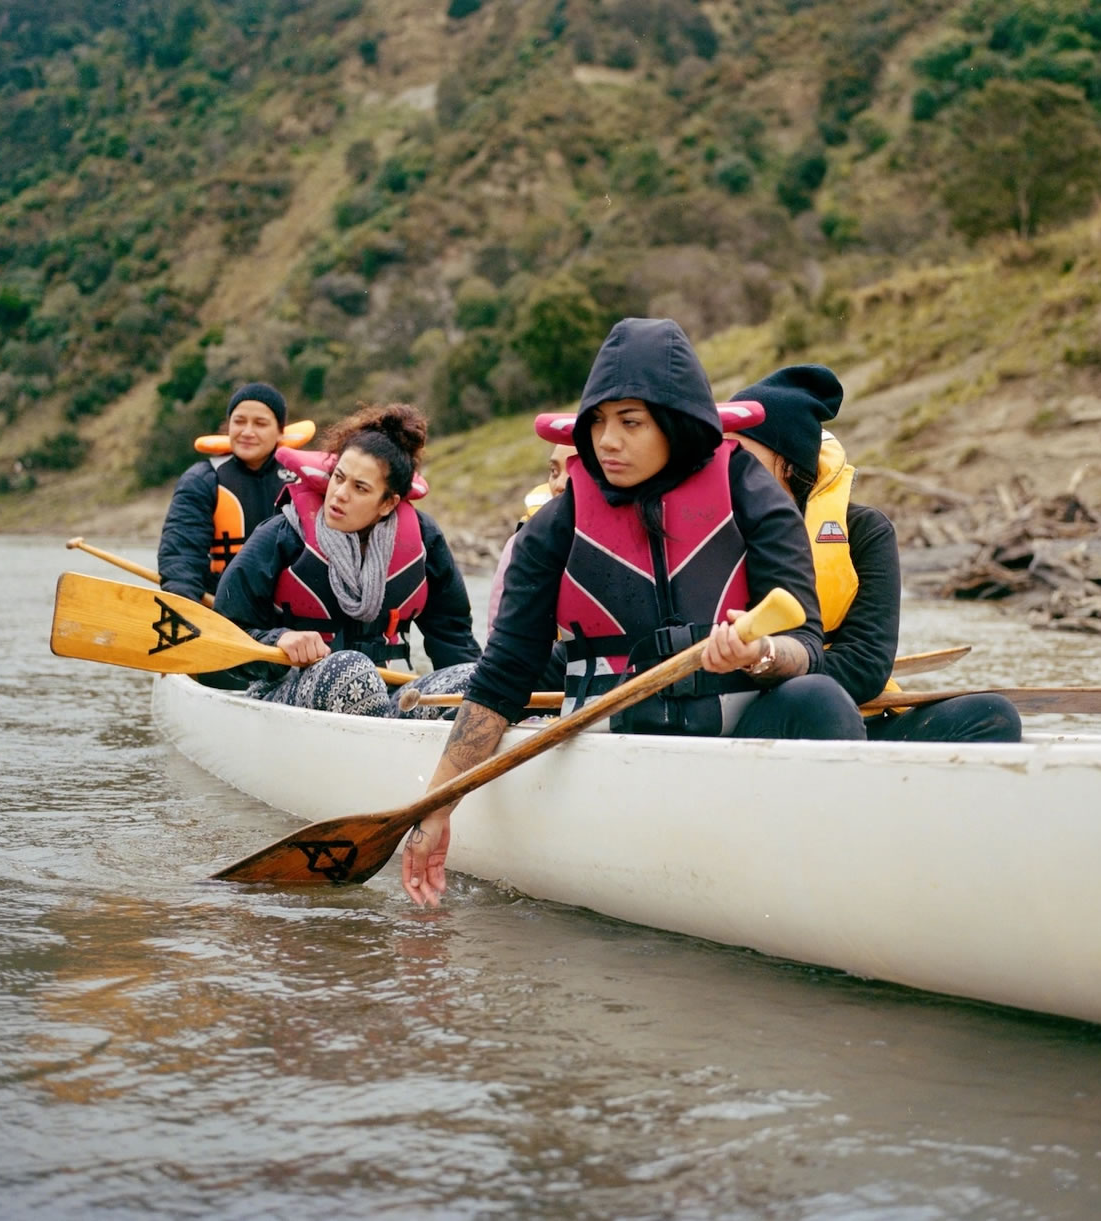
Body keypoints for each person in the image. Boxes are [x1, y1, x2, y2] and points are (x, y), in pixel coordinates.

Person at [400, 317, 865, 905]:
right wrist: (437, 806)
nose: (605, 441)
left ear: (676, 422)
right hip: (607, 739)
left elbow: (805, 643)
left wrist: (760, 654)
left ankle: (838, 886)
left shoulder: (750, 490)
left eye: (630, 422)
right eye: (596, 420)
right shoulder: (556, 526)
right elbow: (503, 676)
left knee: (819, 698)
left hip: (733, 730)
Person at [727, 364, 1020, 744]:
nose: (727, 468)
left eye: (741, 454)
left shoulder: (866, 532)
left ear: (786, 462)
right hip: (759, 716)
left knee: (992, 716)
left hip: (845, 710)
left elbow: (865, 668)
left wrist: (773, 659)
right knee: (818, 700)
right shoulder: (713, 531)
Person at [211, 403, 481, 715]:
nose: (339, 494)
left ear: (387, 503)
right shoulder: (282, 534)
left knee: (474, 679)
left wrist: (477, 704)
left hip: (391, 691)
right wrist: (278, 639)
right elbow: (225, 630)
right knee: (350, 672)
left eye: (360, 488)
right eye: (339, 478)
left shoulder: (424, 539)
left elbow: (454, 638)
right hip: (286, 691)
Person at [156, 382, 291, 604]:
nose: (247, 432)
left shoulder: (301, 479)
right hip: (223, 605)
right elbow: (181, 554)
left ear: (279, 432)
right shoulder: (202, 479)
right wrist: (184, 604)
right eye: (239, 421)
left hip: (287, 611)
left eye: (260, 423)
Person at [484, 441, 576, 637]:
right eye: (554, 471)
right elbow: (499, 635)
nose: (559, 485)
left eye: (576, 470)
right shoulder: (524, 542)